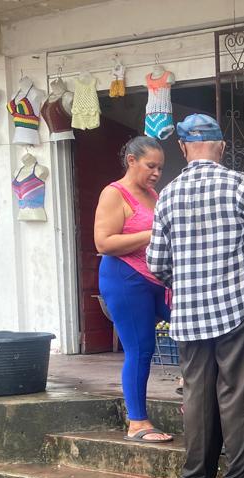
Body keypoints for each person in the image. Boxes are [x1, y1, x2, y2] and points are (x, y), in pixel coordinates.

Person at [146, 114, 244, 478]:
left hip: (190, 315)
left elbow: (157, 262)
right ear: (222, 147)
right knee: (234, 395)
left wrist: (187, 281)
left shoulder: (169, 194)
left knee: (197, 396)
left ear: (182, 148)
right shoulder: (240, 184)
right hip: (237, 310)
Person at [94, 135, 172, 443]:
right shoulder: (114, 194)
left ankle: (193, 392)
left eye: (160, 168)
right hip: (124, 279)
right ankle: (137, 422)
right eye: (150, 166)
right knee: (140, 349)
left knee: (193, 331)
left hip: (158, 280)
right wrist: (150, 234)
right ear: (131, 161)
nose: (156, 173)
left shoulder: (153, 194)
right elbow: (104, 243)